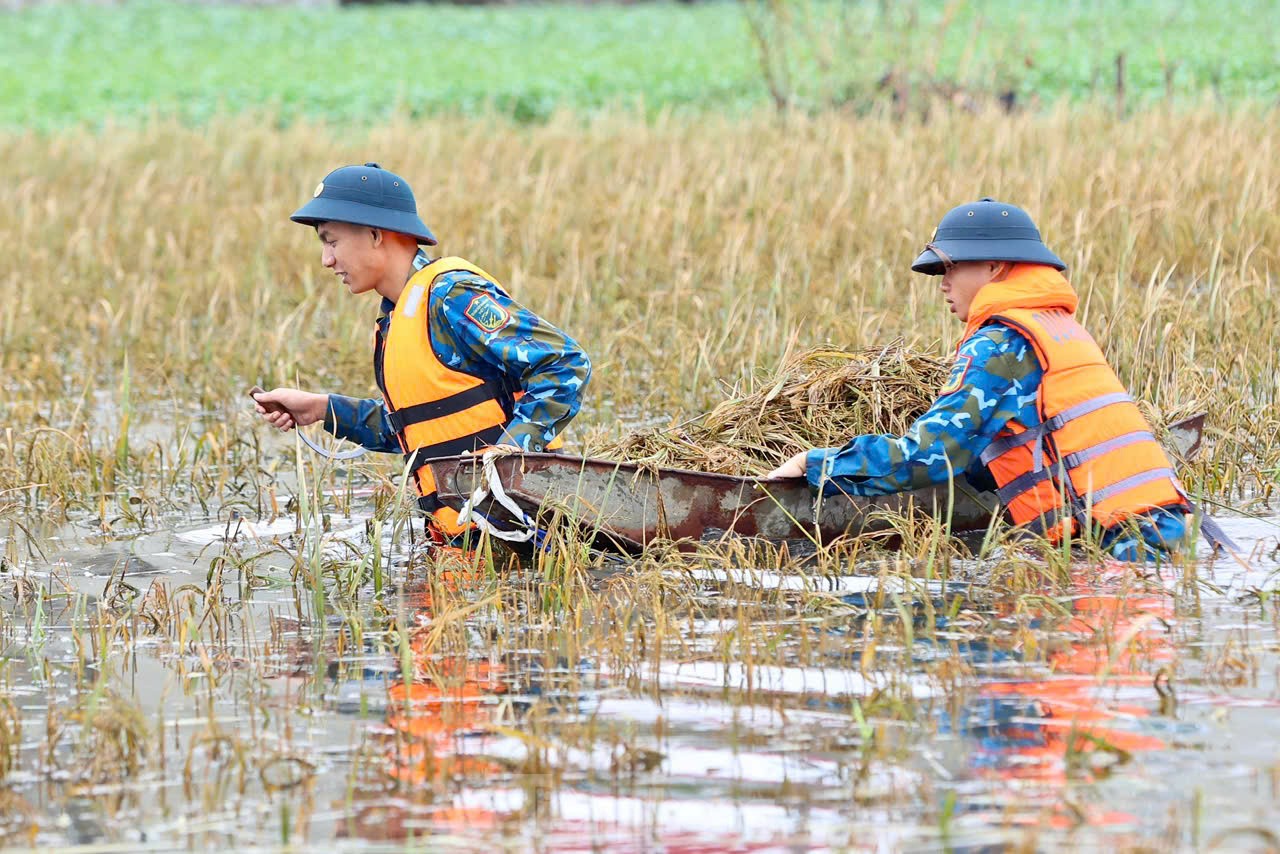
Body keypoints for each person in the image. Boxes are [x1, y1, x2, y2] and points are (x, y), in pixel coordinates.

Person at [766, 198, 1205, 560]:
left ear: (994, 267)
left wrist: (817, 465)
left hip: (1121, 549)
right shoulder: (1057, 328)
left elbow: (930, 455)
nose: (943, 283)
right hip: (1171, 533)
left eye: (952, 267)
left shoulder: (1000, 342)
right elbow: (1043, 442)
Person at [254, 163, 591, 543]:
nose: (326, 260)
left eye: (331, 241)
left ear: (375, 234)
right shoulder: (396, 318)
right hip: (462, 545)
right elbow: (419, 425)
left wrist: (509, 457)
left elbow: (564, 364)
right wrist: (321, 408)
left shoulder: (452, 296)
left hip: (525, 539)